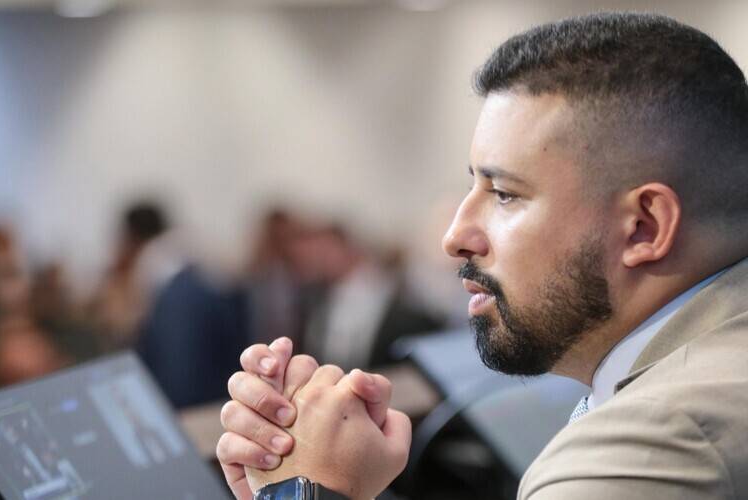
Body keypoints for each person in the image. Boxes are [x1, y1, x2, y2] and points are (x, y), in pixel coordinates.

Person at [217, 12, 748, 500]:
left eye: (505, 194)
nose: (455, 237)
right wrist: (343, 484)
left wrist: (300, 491)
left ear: (644, 227)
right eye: (473, 185)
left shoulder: (650, 443)